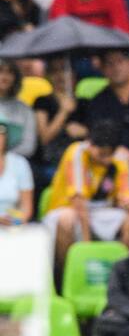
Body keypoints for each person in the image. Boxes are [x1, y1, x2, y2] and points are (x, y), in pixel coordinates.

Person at [44, 120, 129, 275]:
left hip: (100, 212)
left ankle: (124, 275)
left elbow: (126, 198)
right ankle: (67, 276)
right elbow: (79, 205)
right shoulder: (76, 153)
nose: (104, 159)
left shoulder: (119, 160)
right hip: (66, 209)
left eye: (107, 155)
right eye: (100, 153)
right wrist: (87, 249)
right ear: (90, 143)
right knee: (67, 219)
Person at [32, 57, 85, 187]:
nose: (60, 75)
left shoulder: (85, 102)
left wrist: (84, 131)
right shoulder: (42, 102)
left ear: (74, 75)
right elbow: (44, 138)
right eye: (55, 71)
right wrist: (63, 112)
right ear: (49, 76)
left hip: (83, 160)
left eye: (65, 70)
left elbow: (95, 133)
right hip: (52, 162)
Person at [0, 59, 36, 158]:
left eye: (10, 72)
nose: (4, 76)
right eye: (0, 71)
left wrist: (4, 158)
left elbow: (28, 147)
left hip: (13, 166)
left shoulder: (25, 110)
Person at [0, 122, 33, 227]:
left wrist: (17, 221)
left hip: (11, 227)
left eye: (1, 131)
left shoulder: (20, 163)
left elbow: (26, 207)